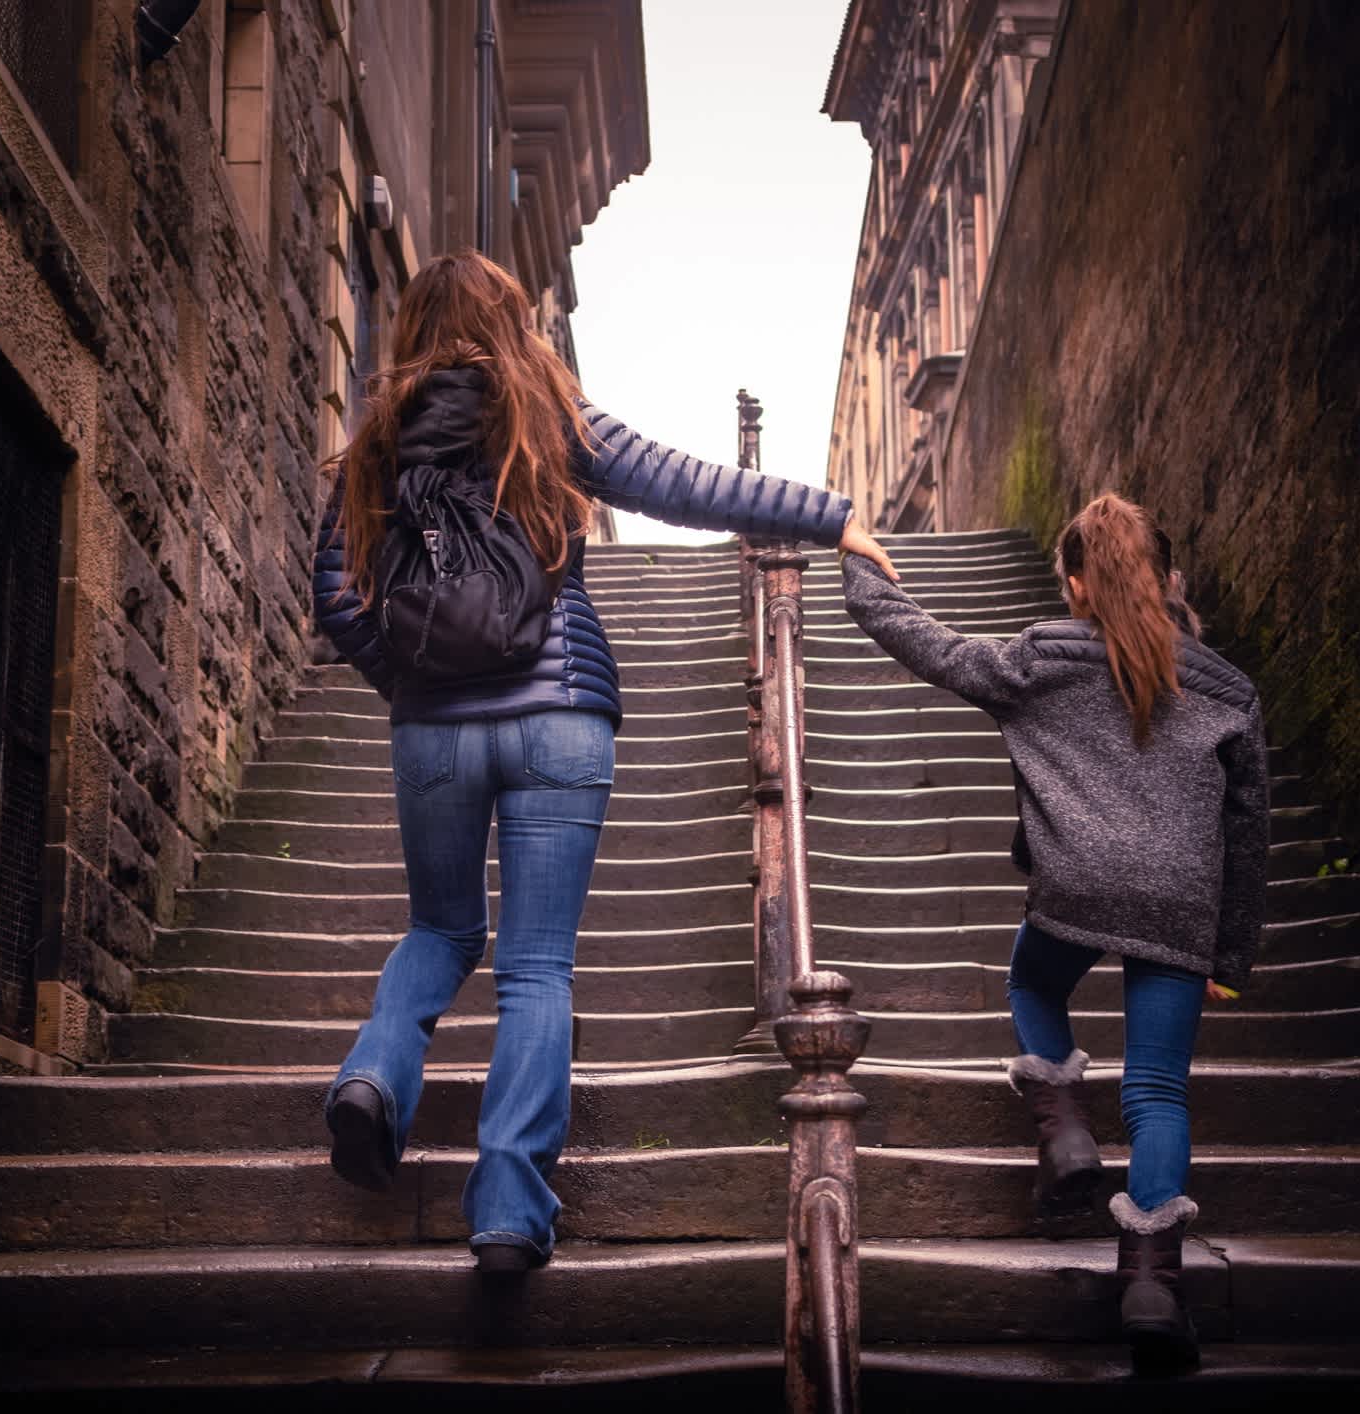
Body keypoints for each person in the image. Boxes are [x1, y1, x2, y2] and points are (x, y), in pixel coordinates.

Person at [311, 250, 897, 1275]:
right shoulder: (548, 408)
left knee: (440, 928)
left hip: (432, 728)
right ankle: (506, 1206)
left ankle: (372, 1076)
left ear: (411, 330)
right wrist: (830, 514)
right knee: (536, 965)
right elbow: (682, 482)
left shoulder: (376, 448)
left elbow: (334, 594)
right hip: (562, 707)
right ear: (510, 323)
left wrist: (409, 682)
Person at [842, 492, 1268, 1373]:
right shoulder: (1228, 687)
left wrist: (861, 568)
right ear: (1166, 576)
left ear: (1074, 583)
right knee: (1157, 1092)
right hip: (1181, 900)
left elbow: (936, 649)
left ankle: (1063, 1128)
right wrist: (1228, 950)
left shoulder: (1044, 657)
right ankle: (1151, 1283)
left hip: (1075, 884)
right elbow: (1248, 827)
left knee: (1034, 984)